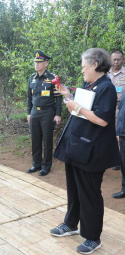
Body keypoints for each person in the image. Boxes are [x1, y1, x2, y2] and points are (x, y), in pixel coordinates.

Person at [50, 48, 119, 254]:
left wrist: (76, 107)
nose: (82, 71)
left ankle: (92, 237)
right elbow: (83, 107)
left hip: (92, 150)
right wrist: (68, 96)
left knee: (90, 194)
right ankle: (71, 224)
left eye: (84, 67)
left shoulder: (106, 87)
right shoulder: (90, 84)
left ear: (95, 64)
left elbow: (102, 119)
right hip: (77, 146)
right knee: (74, 189)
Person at [26, 50, 62, 176]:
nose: (36, 64)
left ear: (46, 63)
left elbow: (58, 97)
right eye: (35, 62)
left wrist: (58, 114)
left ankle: (46, 166)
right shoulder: (32, 78)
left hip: (48, 113)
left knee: (47, 140)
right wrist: (29, 112)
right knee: (35, 139)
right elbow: (29, 98)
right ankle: (36, 164)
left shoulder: (52, 78)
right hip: (35, 112)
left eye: (39, 62)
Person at [108, 49, 125, 171]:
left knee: (118, 134)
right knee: (106, 132)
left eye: (119, 59)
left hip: (120, 108)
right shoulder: (105, 73)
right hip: (107, 106)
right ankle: (107, 157)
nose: (116, 62)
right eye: (114, 59)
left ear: (123, 60)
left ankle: (118, 160)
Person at [112, 91, 125, 199]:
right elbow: (121, 111)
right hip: (123, 132)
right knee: (123, 162)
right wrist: (118, 132)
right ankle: (124, 189)